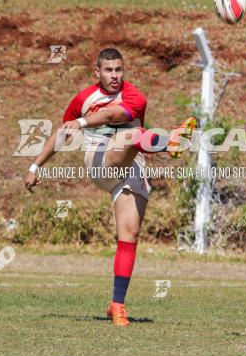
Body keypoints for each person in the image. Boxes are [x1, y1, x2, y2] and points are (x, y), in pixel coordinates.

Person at [24, 47, 195, 327]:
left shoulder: (134, 96)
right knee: (131, 135)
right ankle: (169, 140)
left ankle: (117, 305)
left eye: (119, 70)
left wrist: (82, 122)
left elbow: (113, 115)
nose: (115, 75)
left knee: (130, 233)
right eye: (109, 70)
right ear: (98, 72)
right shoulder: (84, 99)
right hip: (100, 160)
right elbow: (63, 132)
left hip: (133, 165)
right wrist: (36, 166)